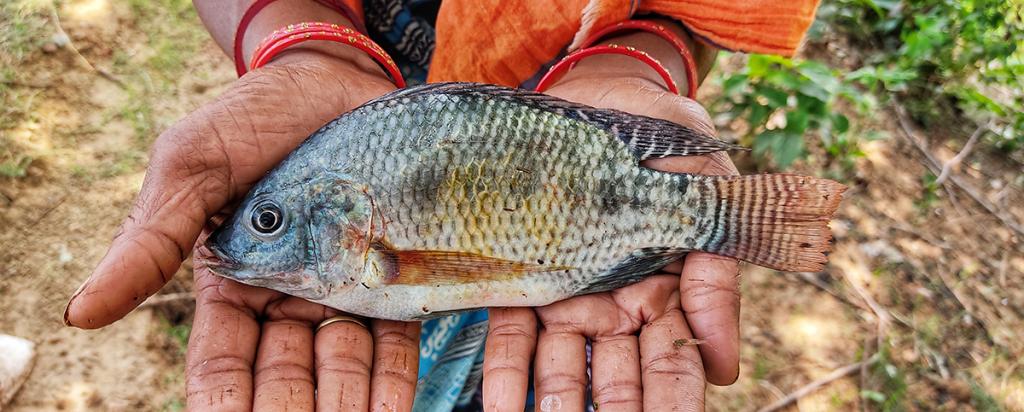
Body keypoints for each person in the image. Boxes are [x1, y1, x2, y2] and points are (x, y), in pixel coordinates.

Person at [63, 0, 821, 410]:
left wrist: (641, 58)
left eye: (271, 222)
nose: (242, 238)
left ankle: (723, 216)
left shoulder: (370, 238)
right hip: (367, 59)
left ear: (347, 222)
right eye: (267, 219)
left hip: (580, 71)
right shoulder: (332, 169)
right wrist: (305, 42)